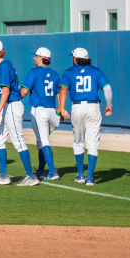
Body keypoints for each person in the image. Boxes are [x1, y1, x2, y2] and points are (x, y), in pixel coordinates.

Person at [0, 39, 37, 187]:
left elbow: (6, 91)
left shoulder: (3, 66)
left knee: (18, 141)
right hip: (9, 106)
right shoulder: (4, 64)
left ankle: (30, 176)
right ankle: (3, 176)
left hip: (12, 106)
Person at [58, 47, 112, 186]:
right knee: (93, 142)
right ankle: (90, 178)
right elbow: (107, 88)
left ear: (75, 58)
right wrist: (109, 104)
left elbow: (63, 90)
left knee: (78, 141)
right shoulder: (96, 71)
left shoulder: (69, 72)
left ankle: (81, 175)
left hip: (77, 107)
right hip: (93, 106)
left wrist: (62, 108)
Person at [20, 47, 60, 181]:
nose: (34, 58)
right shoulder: (55, 74)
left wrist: (13, 99)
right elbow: (60, 93)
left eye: (36, 56)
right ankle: (41, 170)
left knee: (44, 141)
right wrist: (61, 109)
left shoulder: (34, 72)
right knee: (41, 141)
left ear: (41, 58)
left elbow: (24, 92)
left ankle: (53, 171)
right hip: (52, 110)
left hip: (39, 110)